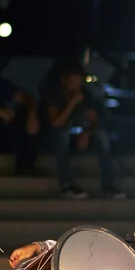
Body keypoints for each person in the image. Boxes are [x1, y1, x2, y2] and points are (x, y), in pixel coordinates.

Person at [42, 62, 124, 199]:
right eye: (74, 81)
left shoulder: (85, 94)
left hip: (77, 136)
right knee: (62, 134)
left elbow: (95, 121)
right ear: (65, 80)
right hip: (53, 138)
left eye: (79, 81)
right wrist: (72, 103)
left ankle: (108, 187)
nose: (77, 85)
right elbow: (56, 123)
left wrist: (87, 133)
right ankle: (66, 185)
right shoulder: (54, 94)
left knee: (102, 134)